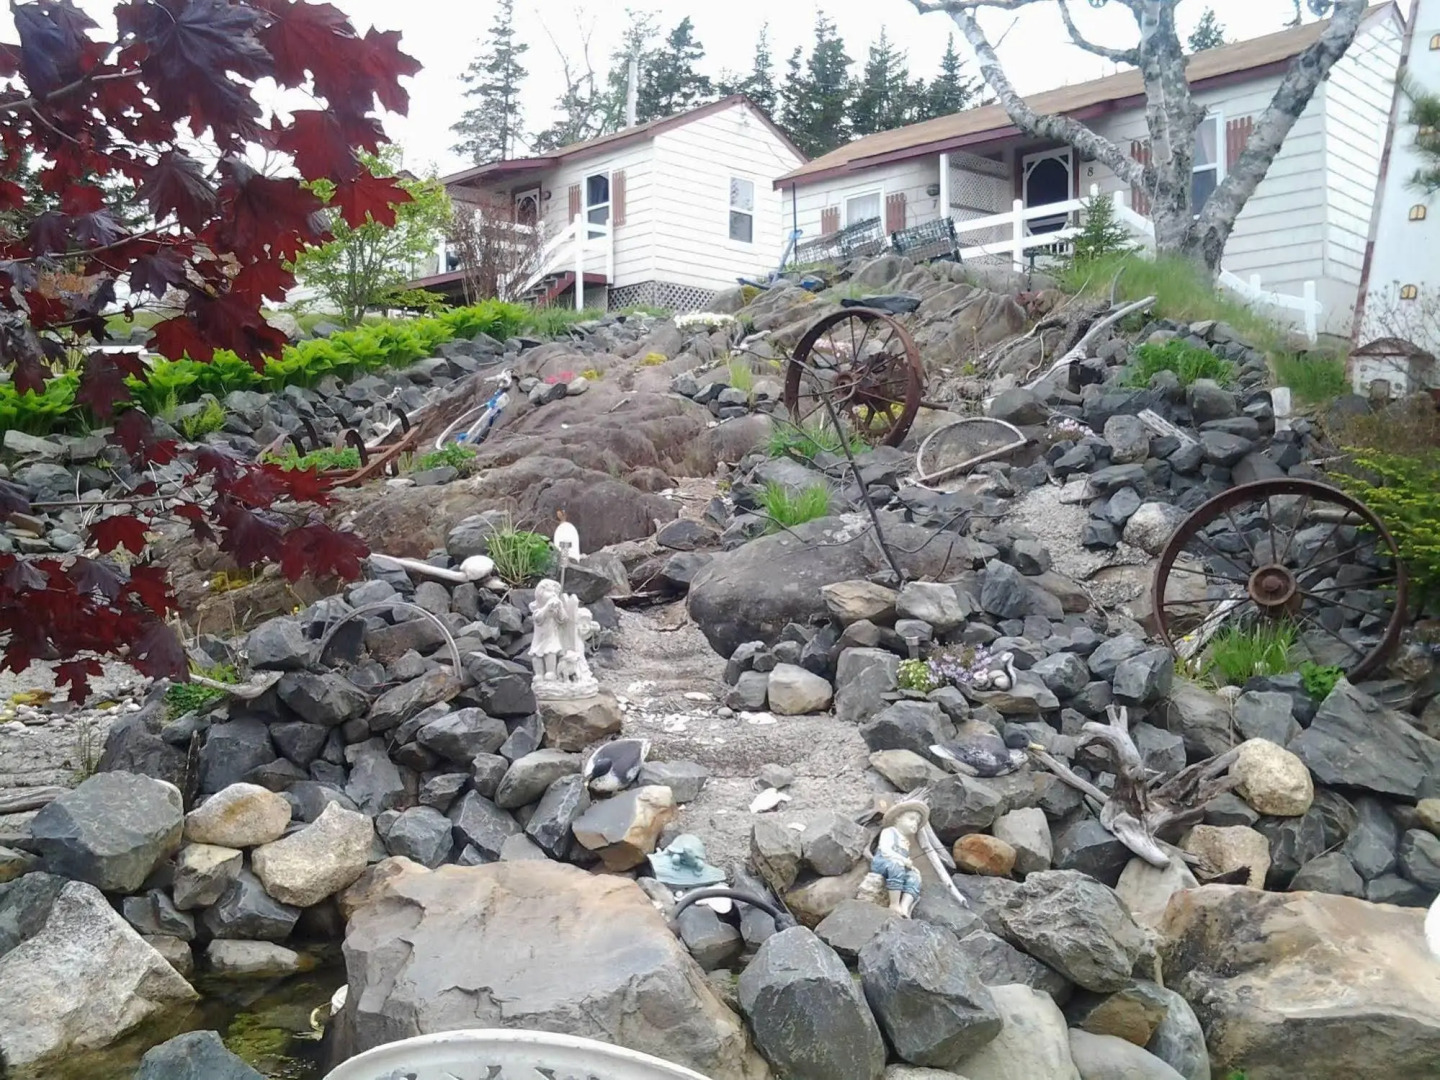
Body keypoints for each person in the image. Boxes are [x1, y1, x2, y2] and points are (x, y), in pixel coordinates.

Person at [871, 799, 929, 918]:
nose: (914, 824)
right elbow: (885, 850)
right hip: (884, 862)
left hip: (899, 864)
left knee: (914, 877)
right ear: (898, 818)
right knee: (896, 867)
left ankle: (904, 907)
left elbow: (905, 859)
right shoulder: (889, 832)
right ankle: (894, 904)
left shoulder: (905, 841)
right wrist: (902, 860)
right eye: (911, 819)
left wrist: (911, 867)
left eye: (917, 822)